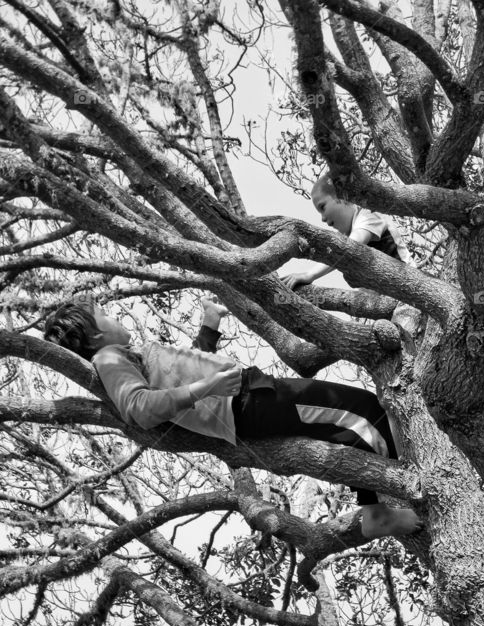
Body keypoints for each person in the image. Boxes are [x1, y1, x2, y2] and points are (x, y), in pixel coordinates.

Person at [41, 295, 422, 540]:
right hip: (246, 404)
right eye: (103, 316)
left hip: (248, 395)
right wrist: (208, 389)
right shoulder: (109, 358)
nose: (113, 316)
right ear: (93, 338)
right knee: (364, 410)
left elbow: (185, 372)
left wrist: (209, 326)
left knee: (344, 420)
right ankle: (397, 492)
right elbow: (139, 407)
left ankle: (381, 502)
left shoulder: (128, 356)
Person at [280, 173, 409, 290]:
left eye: (322, 207)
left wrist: (309, 275)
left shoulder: (368, 214)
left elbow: (348, 249)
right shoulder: (349, 233)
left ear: (342, 197)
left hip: (407, 285)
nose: (323, 218)